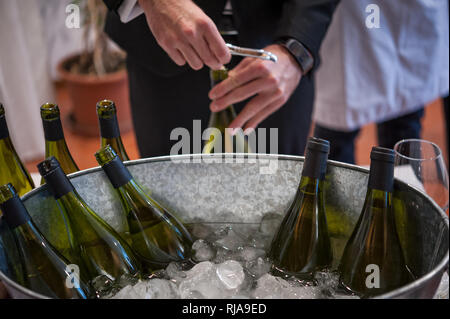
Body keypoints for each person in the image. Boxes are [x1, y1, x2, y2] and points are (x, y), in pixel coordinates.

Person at [103, 0, 339, 157]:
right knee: (172, 206)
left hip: (277, 59)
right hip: (163, 50)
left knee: (276, 208)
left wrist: (297, 47)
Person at [312, 0, 449, 164]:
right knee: (335, 137)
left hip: (410, 18)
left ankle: (403, 187)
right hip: (350, 23)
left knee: (404, 125)